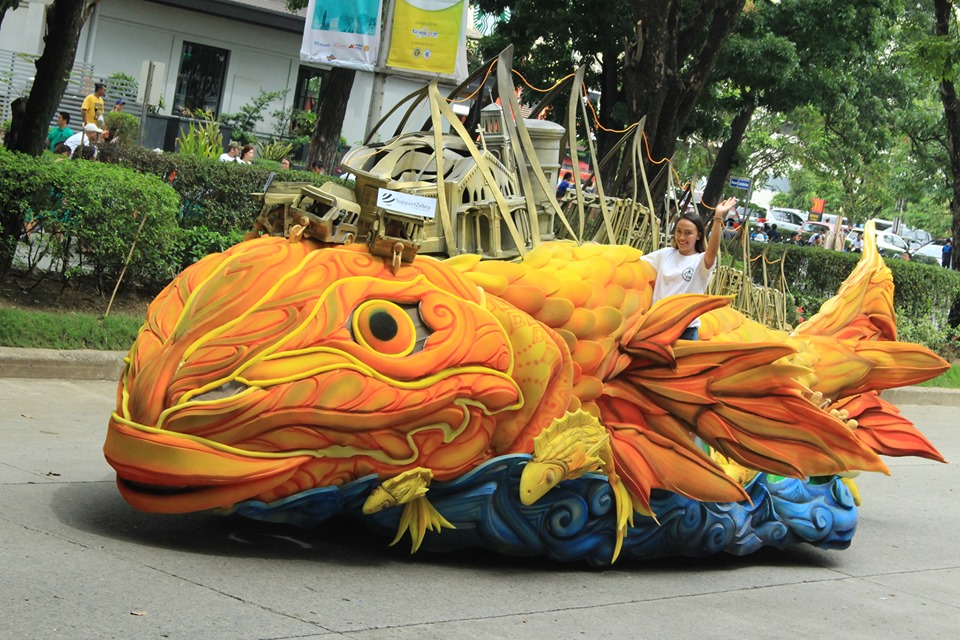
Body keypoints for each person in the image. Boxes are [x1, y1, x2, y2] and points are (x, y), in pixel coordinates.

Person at [640, 196, 737, 341]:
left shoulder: (700, 262)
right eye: (679, 231)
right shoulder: (664, 254)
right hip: (655, 325)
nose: (681, 237)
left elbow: (712, 251)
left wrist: (718, 218)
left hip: (685, 331)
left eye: (688, 233)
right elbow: (638, 261)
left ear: (698, 235)